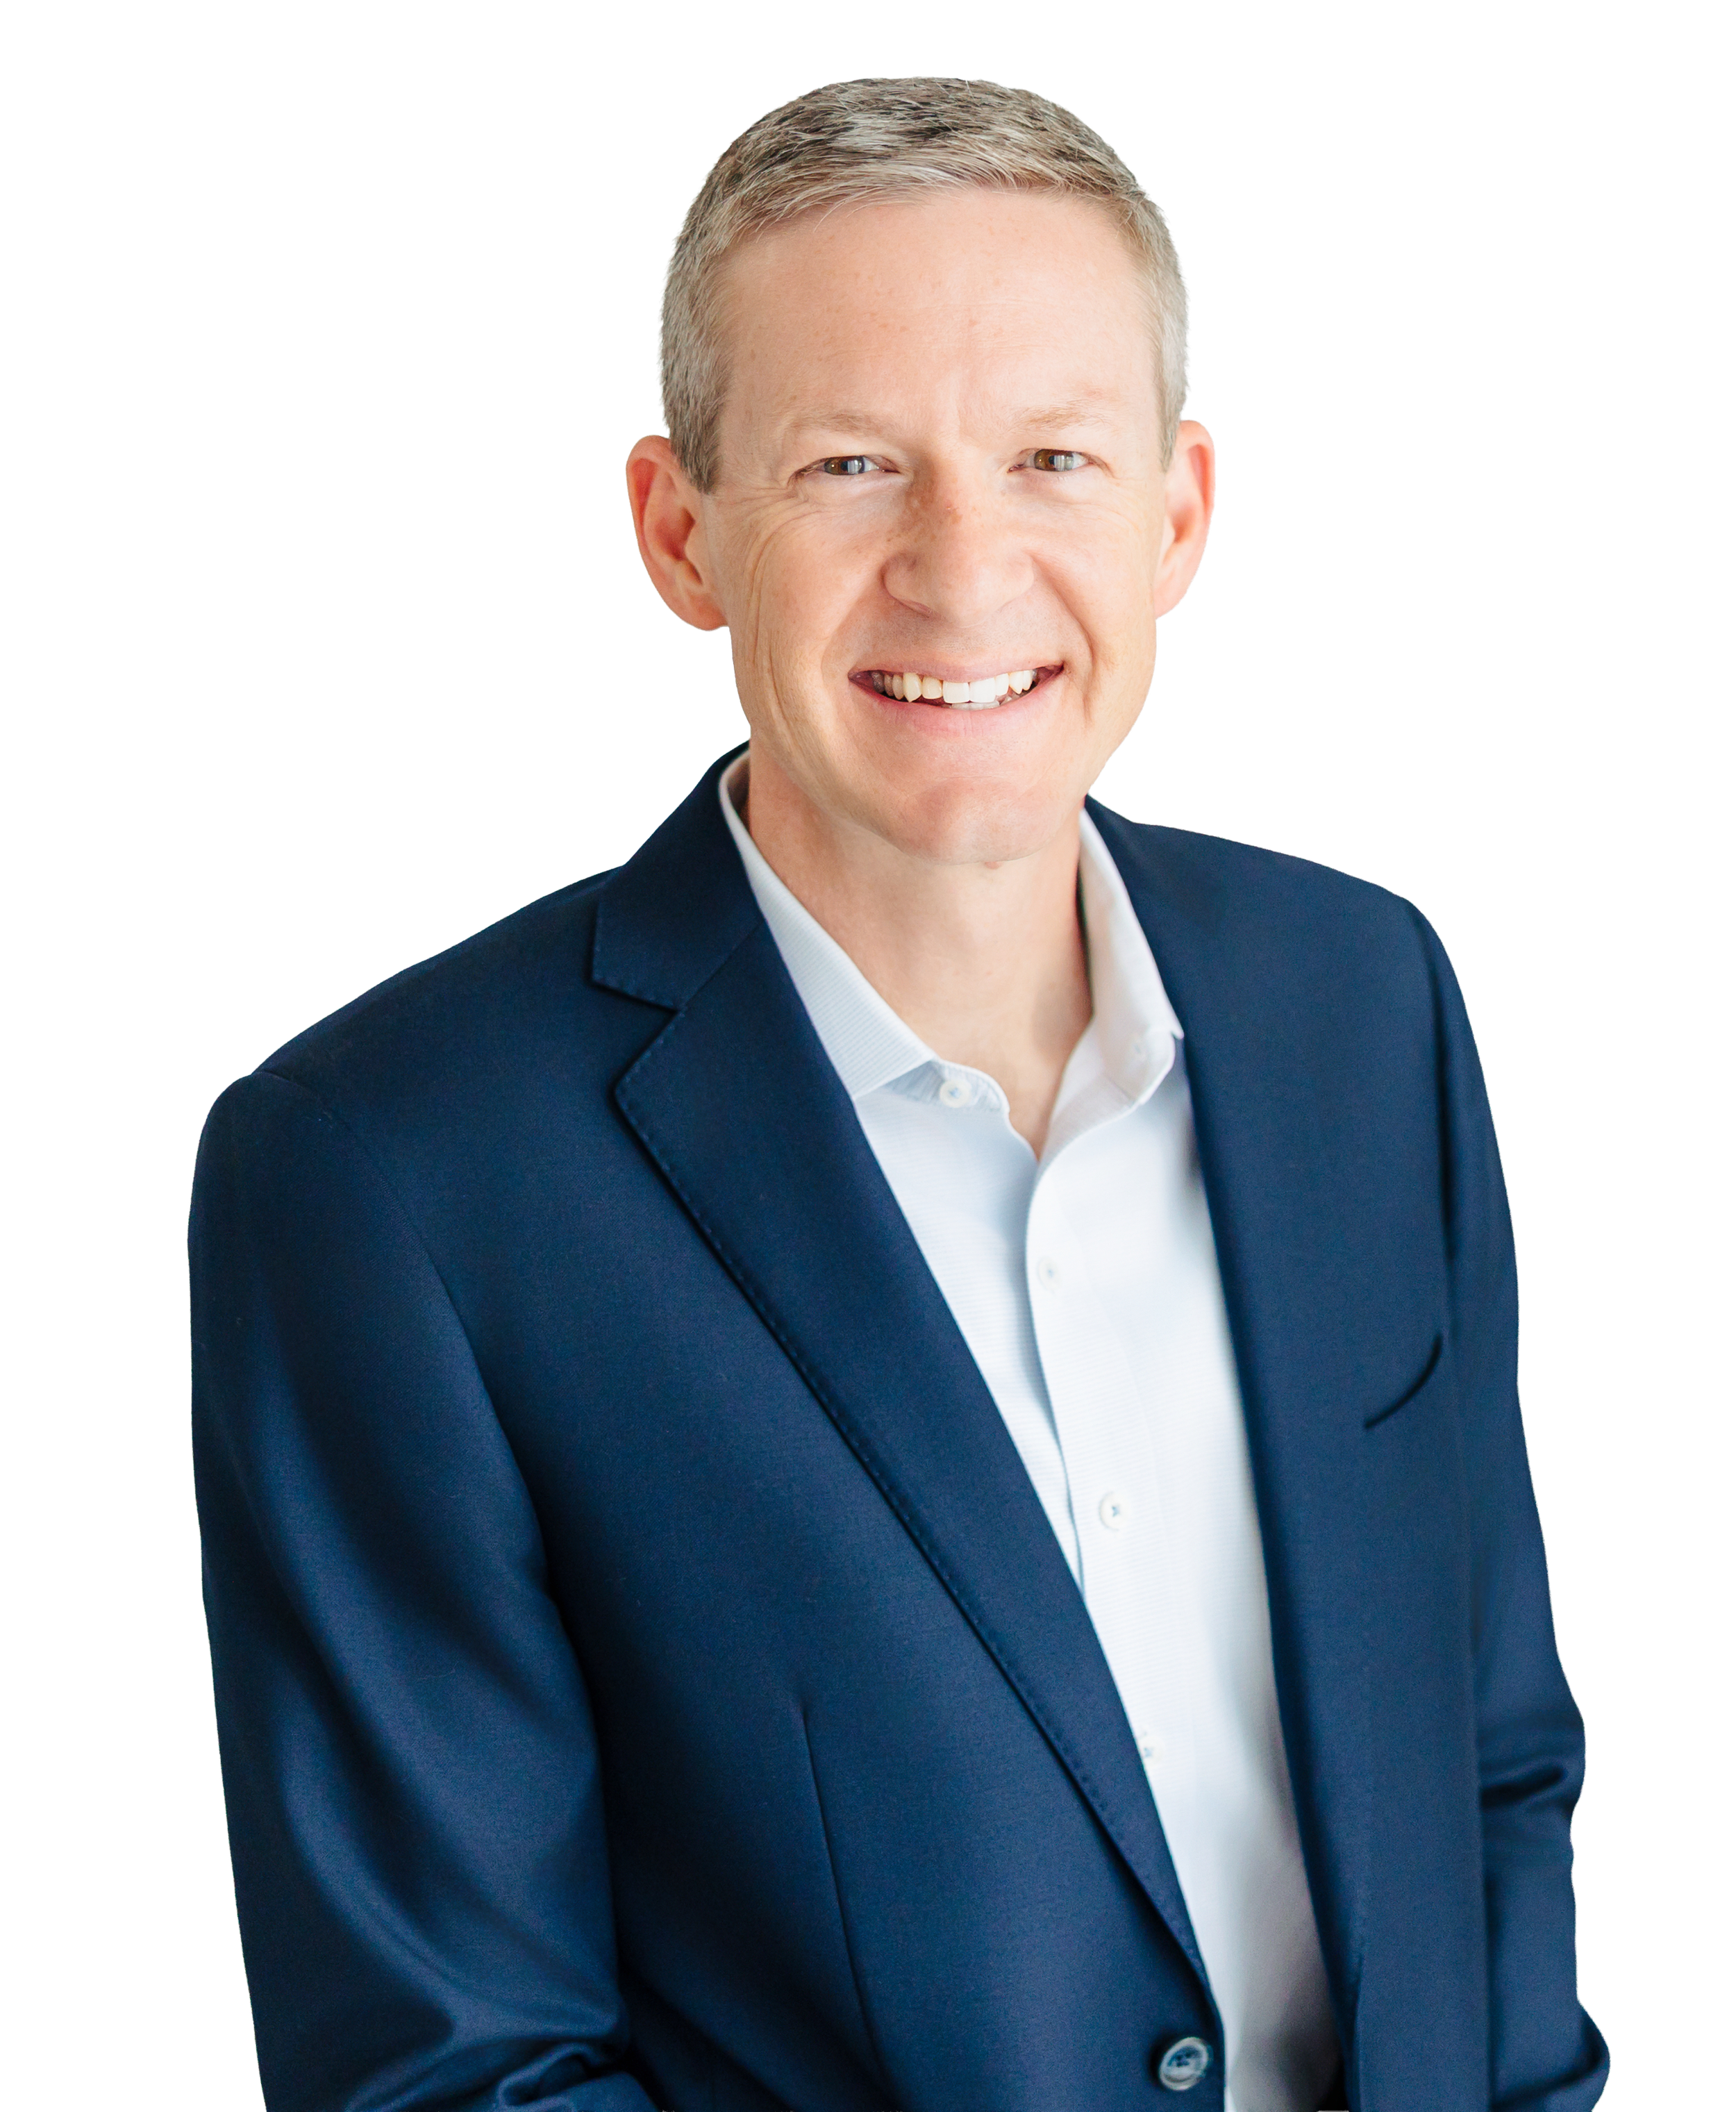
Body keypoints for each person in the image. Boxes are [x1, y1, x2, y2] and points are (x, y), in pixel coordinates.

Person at [189, 74, 1611, 2112]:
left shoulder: (1356, 1001)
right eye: (851, 465)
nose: (966, 566)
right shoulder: (387, 1176)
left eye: (1054, 458)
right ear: (679, 534)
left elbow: (1481, 1763)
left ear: (1180, 516)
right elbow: (448, 2069)